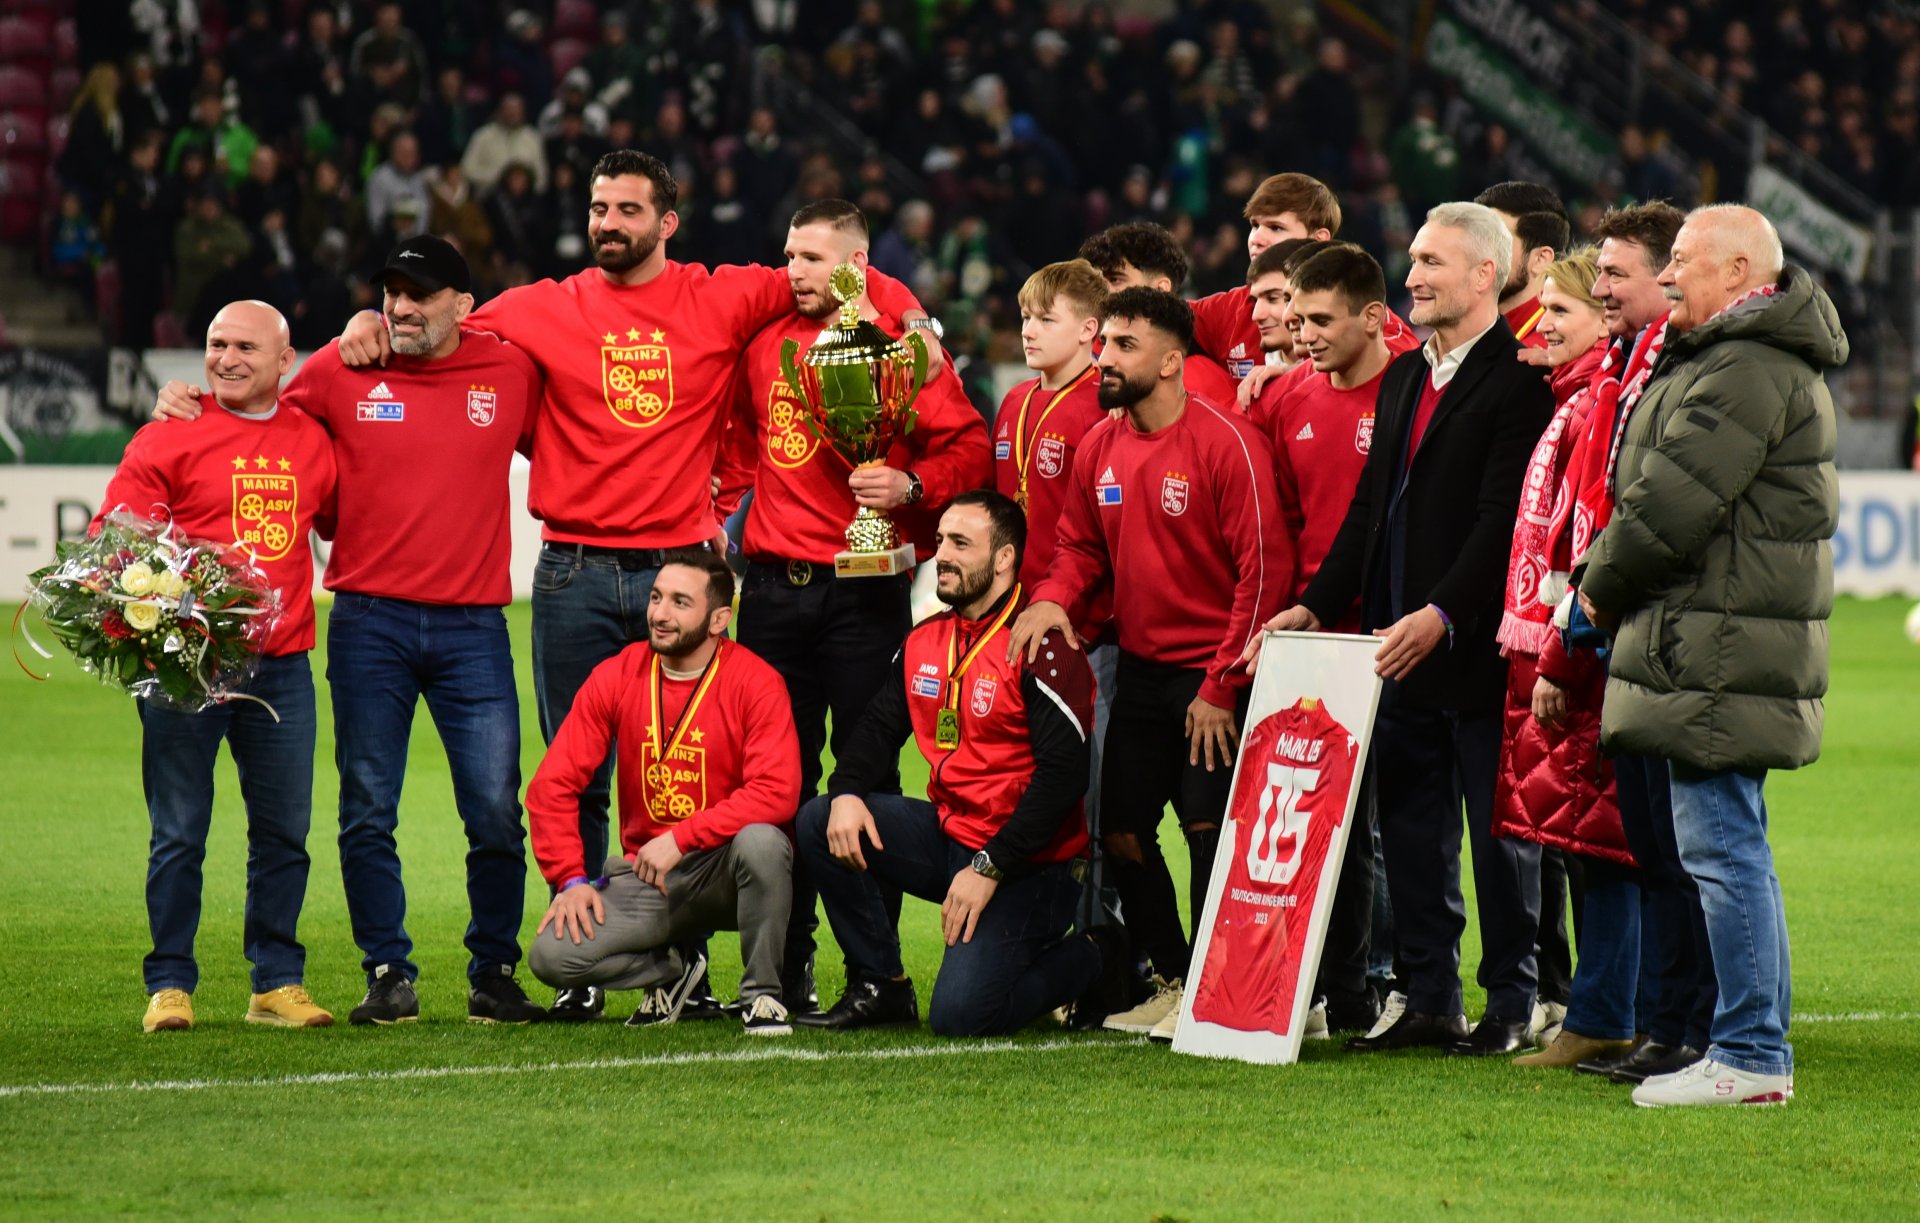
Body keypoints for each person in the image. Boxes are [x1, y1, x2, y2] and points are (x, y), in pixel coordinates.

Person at [328, 150, 932, 1021]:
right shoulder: (543, 305)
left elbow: (846, 276)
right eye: (598, 207)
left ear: (666, 223)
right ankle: (588, 959)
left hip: (679, 572)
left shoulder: (722, 293)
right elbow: (439, 322)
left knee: (703, 772)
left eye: (626, 209)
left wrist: (902, 314)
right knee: (583, 774)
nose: (607, 222)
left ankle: (728, 963)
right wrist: (367, 321)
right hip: (571, 571)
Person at [150, 238, 550, 1025]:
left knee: (497, 808)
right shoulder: (339, 368)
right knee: (368, 807)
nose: (400, 307)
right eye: (390, 292)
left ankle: (494, 970)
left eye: (420, 294)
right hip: (369, 621)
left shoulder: (511, 369)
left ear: (463, 306)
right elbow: (254, 416)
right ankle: (387, 969)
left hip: (476, 623)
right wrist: (185, 401)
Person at [1263, 203, 1553, 1056]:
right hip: (1399, 651)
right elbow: (1368, 518)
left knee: (1501, 841)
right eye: (1415, 260)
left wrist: (1443, 612)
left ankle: (1511, 1001)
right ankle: (1428, 995)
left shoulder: (1519, 381)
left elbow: (1503, 525)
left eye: (1431, 261)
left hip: (1474, 652)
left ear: (1484, 277)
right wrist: (1316, 603)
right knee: (1418, 835)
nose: (1414, 275)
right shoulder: (1403, 376)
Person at [1577, 205, 1843, 1108]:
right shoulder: (1737, 360)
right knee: (1734, 848)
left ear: (1737, 271)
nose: (1670, 275)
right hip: (1720, 638)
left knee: (1721, 850)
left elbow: (1668, 508)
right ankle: (1750, 1041)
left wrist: (1595, 580)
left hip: (1721, 644)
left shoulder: (1745, 369)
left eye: (1684, 260)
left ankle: (1751, 1052)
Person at [714, 198, 989, 1008]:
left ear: (857, 267)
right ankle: (786, 966)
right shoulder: (765, 346)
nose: (791, 271)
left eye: (810, 258)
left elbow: (969, 445)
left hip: (864, 591)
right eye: (789, 254)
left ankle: (875, 973)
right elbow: (733, 441)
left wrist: (912, 486)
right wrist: (723, 517)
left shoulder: (903, 345)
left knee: (859, 783)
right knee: (774, 781)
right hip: (769, 589)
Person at [1010, 287, 1291, 1042]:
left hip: (1213, 674)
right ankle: (1175, 975)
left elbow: (1262, 574)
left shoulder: (1225, 442)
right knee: (1125, 832)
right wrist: (1055, 598)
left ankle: (1215, 987)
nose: (1105, 358)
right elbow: (1078, 547)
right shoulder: (1101, 444)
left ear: (1172, 361)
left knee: (1207, 827)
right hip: (1139, 669)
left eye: (1125, 346)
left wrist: (1222, 686)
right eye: (1106, 343)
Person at [102, 301, 338, 1034]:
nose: (226, 358)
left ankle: (277, 982)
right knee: (179, 830)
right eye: (214, 344)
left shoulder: (314, 441)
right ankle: (170, 984)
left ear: (283, 359)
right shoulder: (170, 431)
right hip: (187, 670)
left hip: (284, 666)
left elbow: (346, 520)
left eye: (244, 346)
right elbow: (115, 535)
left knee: (284, 832)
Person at [796, 492, 1103, 1034]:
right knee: (822, 819)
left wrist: (990, 865)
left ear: (1004, 558)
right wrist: (846, 790)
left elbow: (1064, 779)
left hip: (1031, 865)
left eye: (961, 543)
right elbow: (874, 729)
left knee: (961, 1017)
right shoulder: (925, 639)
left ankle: (1099, 953)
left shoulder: (1043, 646)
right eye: (940, 541)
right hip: (949, 839)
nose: (942, 555)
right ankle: (882, 984)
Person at [1561, 202, 1718, 1087]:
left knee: (1692, 854)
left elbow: (1656, 510)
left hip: (1673, 637)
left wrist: (1592, 587)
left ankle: (1700, 1029)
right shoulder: (1633, 369)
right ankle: (1665, 1028)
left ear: (1667, 278)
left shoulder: (1679, 374)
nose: (1604, 287)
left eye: (1616, 273)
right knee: (1657, 850)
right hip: (1635, 633)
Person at [526, 551, 803, 1035]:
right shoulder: (619, 673)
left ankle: (761, 995)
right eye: (656, 598)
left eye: (679, 602)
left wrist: (683, 838)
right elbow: (551, 786)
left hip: (726, 869)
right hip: (650, 877)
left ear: (720, 618)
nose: (659, 614)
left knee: (763, 842)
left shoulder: (756, 682)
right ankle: (674, 970)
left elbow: (777, 792)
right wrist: (569, 879)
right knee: (552, 956)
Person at [1485, 250, 1641, 1069]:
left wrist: (1561, 657)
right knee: (1589, 841)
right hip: (1559, 651)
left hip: (1576, 658)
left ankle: (1603, 1013)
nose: (1543, 325)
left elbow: (1583, 550)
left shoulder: (1597, 408)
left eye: (1563, 314)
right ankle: (1610, 1008)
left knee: (1603, 844)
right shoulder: (1573, 401)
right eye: (1542, 311)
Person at [1244, 242, 1402, 1033]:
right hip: (1310, 636)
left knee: (1382, 824)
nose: (1298, 334)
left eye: (1316, 319)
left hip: (1392, 635)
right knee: (1307, 820)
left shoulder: (1409, 387)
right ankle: (1322, 991)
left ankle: (1375, 985)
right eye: (1293, 317)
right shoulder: (1284, 399)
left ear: (1373, 318)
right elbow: (1281, 527)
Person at [993, 258, 1119, 962]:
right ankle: (1038, 941)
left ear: (1090, 329)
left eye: (1047, 318)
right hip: (1017, 629)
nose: (1030, 329)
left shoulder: (1102, 402)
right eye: (1025, 317)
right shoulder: (1013, 402)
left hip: (1086, 630)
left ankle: (1101, 953)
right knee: (1033, 793)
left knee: (1091, 798)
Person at [1189, 171, 1340, 380]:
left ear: (1318, 240)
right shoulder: (1229, 309)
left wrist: (1297, 378)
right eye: (1254, 225)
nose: (1256, 239)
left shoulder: (1355, 309)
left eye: (1276, 228)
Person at [1075, 223, 1240, 406]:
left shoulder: (1202, 380)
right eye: (1098, 280)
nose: (1102, 291)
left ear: (1161, 289)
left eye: (1116, 279)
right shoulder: (1079, 350)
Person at [1473, 181, 1571, 349]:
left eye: (1496, 240)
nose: (1477, 251)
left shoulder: (1549, 355)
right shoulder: (1464, 329)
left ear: (1540, 259)